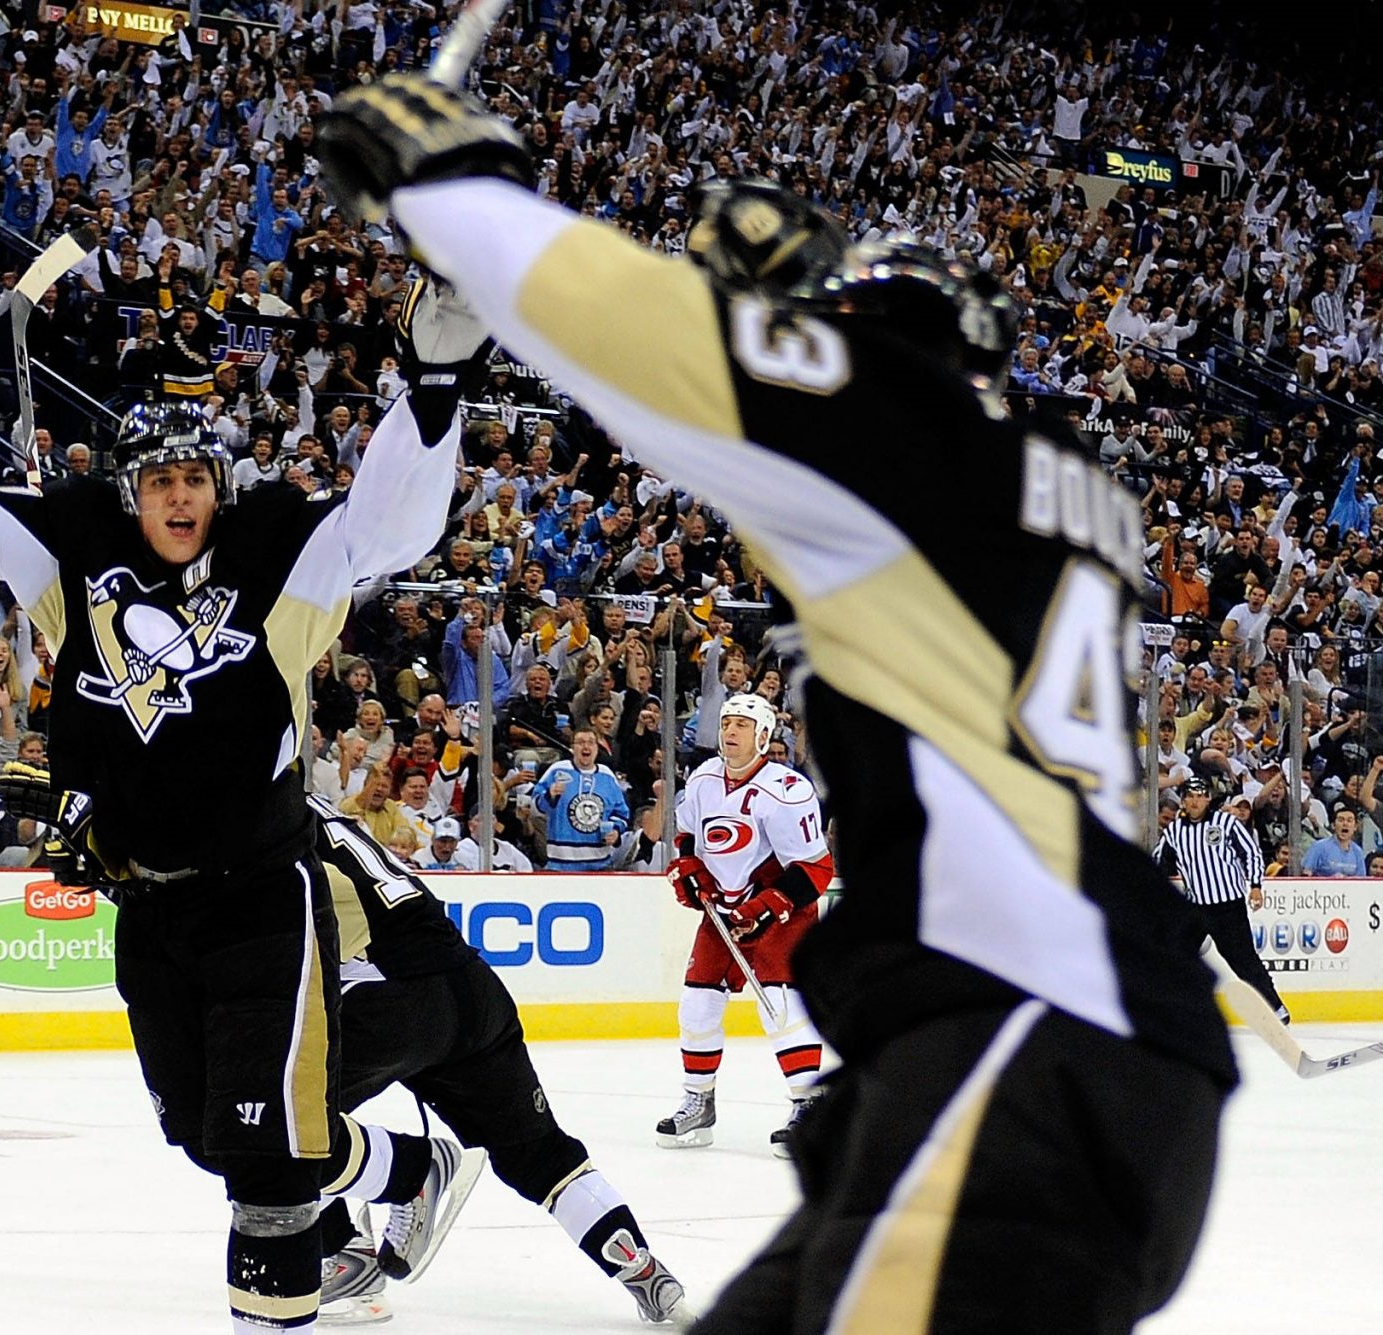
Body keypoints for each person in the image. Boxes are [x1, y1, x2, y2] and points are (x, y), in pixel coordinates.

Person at [316, 87, 1233, 1335]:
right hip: (1056, 1051)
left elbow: (654, 338)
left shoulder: (904, 432)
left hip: (1020, 1049)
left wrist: (459, 195)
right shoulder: (1061, 482)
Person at [0, 254, 468, 1333]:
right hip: (148, 907)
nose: (179, 496)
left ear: (221, 488)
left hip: (261, 897)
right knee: (209, 1134)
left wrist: (431, 395)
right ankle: (401, 1167)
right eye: (160, 481)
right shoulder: (78, 556)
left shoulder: (279, 554)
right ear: (130, 492)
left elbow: (390, 526)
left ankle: (284, 1301)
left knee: (263, 1158)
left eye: (196, 479)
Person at [306, 799, 689, 1326]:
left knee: (274, 1120)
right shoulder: (319, 812)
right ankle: (643, 1271)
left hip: (389, 998)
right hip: (473, 988)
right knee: (539, 1155)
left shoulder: (262, 826)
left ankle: (356, 1241)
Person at [661, 693, 835, 1156]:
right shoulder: (703, 779)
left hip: (781, 912)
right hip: (724, 910)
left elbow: (815, 869)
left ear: (763, 736)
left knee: (781, 1006)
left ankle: (810, 1107)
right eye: (726, 723)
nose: (731, 732)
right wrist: (689, 868)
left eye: (742, 724)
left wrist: (767, 906)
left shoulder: (788, 791)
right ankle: (698, 1102)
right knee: (696, 1004)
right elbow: (688, 836)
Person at [1154, 776, 1288, 1022]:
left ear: (1208, 799)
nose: (1195, 801)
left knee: (1243, 961)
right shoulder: (1174, 831)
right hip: (1196, 908)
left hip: (1228, 908)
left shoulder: (1225, 823)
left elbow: (1251, 853)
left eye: (1200, 796)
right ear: (1183, 801)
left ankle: (1275, 1008)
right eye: (1190, 796)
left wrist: (1255, 885)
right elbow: (1160, 861)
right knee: (1175, 957)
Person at [530, 725, 631, 871]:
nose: (586, 746)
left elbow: (621, 813)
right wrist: (549, 796)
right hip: (560, 865)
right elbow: (534, 809)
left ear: (597, 748)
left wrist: (615, 831)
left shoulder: (607, 775)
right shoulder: (557, 770)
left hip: (600, 865)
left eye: (591, 742)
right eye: (581, 742)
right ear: (572, 748)